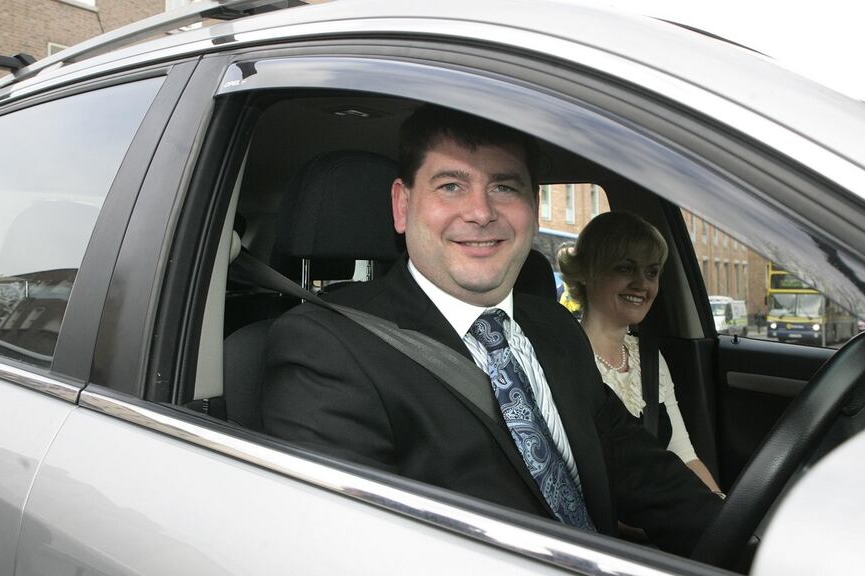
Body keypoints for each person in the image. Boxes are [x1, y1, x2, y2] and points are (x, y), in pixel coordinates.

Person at [261, 104, 722, 556]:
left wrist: (744, 546)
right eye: (450, 186)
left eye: (504, 187)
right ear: (402, 206)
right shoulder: (325, 346)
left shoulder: (555, 327)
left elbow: (636, 468)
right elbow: (350, 552)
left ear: (533, 209)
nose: (481, 212)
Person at [559, 212, 722, 493]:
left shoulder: (648, 358)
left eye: (652, 272)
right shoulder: (561, 358)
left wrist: (721, 510)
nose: (642, 284)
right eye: (625, 268)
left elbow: (685, 456)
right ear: (585, 272)